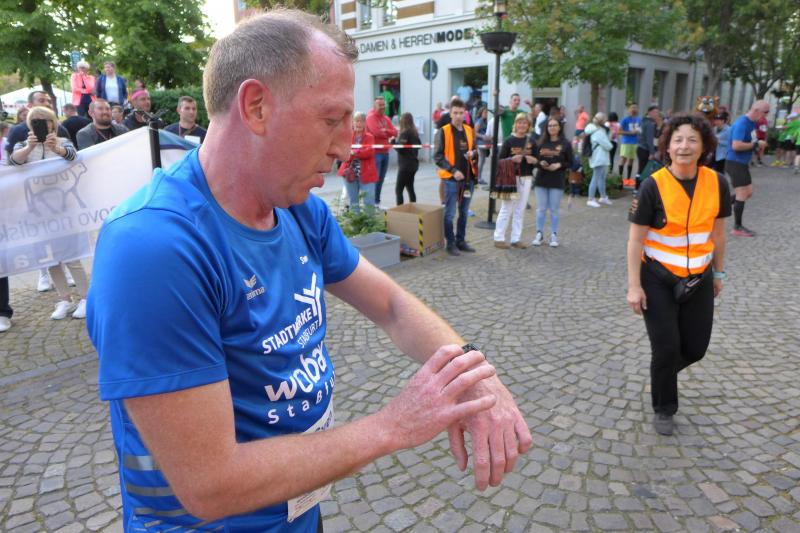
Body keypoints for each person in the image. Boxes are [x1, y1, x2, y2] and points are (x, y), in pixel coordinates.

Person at [87, 11, 530, 532]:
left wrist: (476, 377)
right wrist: (393, 426)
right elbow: (210, 483)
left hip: (299, 513)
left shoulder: (298, 209)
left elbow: (391, 305)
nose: (346, 147)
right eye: (331, 119)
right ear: (256, 107)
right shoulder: (155, 247)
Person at [626, 112, 730, 436]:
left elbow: (719, 234)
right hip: (656, 277)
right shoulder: (652, 186)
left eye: (692, 140)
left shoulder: (717, 183)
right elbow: (635, 240)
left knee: (696, 348)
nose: (684, 146)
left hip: (699, 276)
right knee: (666, 346)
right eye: (678, 140)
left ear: (704, 146)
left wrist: (719, 274)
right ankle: (664, 407)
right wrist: (634, 286)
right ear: (667, 147)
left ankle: (662, 374)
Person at [9, 106, 89, 320]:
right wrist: (29, 147)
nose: (43, 123)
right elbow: (14, 161)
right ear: (30, 124)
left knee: (72, 256)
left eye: (46, 120)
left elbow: (73, 157)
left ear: (53, 122)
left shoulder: (63, 141)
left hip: (64, 209)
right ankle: (65, 299)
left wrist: (57, 149)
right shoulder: (23, 144)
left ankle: (86, 298)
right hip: (38, 211)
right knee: (50, 258)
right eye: (36, 120)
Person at [434, 98, 479, 256]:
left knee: (464, 212)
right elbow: (438, 157)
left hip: (468, 179)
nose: (459, 116)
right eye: (456, 113)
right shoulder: (443, 131)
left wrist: (473, 153)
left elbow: (475, 149)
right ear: (450, 113)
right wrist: (453, 171)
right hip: (451, 179)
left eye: (461, 113)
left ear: (465, 113)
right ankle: (451, 243)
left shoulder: (469, 130)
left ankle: (461, 241)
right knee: (450, 213)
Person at [725, 100, 770, 237]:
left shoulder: (752, 123)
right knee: (742, 193)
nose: (766, 115)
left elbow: (750, 140)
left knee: (748, 192)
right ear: (756, 110)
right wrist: (756, 145)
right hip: (735, 162)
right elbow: (736, 146)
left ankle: (718, 205)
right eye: (765, 112)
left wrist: (756, 145)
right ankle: (737, 227)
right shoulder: (742, 123)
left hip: (741, 163)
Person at [493, 113, 536, 249]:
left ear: (528, 126)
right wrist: (511, 159)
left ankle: (516, 239)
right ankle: (498, 238)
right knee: (506, 208)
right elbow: (499, 161)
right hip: (511, 178)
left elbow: (538, 159)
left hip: (526, 178)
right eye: (519, 122)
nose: (522, 125)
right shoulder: (509, 141)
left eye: (525, 123)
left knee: (520, 209)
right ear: (515, 125)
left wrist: (533, 160)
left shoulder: (532, 141)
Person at [531, 117, 572, 247]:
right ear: (546, 128)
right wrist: (540, 163)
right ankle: (539, 234)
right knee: (541, 209)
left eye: (554, 125)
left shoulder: (565, 143)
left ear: (559, 127)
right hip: (541, 179)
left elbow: (570, 162)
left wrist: (559, 165)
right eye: (550, 126)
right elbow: (535, 160)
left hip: (557, 179)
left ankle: (553, 235)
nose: (552, 128)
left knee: (554, 209)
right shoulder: (541, 143)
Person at [338, 111, 378, 212]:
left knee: (369, 202)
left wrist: (354, 152)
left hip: (367, 173)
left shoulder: (370, 137)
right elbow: (344, 153)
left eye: (361, 121)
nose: (358, 123)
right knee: (353, 202)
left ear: (365, 123)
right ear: (353, 122)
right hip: (350, 173)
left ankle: (369, 222)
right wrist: (357, 152)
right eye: (356, 121)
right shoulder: (347, 136)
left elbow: (369, 152)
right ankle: (356, 222)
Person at [365, 96, 397, 205]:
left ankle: (377, 202)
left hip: (385, 152)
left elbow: (395, 132)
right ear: (374, 105)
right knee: (375, 179)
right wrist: (388, 133)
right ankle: (371, 203)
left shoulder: (386, 118)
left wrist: (385, 130)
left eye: (384, 105)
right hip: (376, 153)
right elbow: (376, 132)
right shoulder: (370, 117)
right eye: (380, 105)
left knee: (381, 179)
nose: (383, 107)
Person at [584, 112, 614, 208]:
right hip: (599, 157)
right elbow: (608, 145)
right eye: (604, 118)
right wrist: (611, 139)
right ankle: (590, 199)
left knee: (601, 177)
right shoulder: (598, 131)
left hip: (599, 157)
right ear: (602, 120)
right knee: (596, 177)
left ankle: (603, 197)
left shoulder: (596, 129)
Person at [394, 112, 420, 205]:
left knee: (398, 190)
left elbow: (400, 148)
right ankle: (413, 207)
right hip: (413, 164)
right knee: (410, 188)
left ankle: (400, 210)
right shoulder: (414, 132)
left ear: (403, 121)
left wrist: (392, 142)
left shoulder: (405, 133)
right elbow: (419, 145)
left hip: (405, 166)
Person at [636, 105, 660, 185]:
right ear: (650, 112)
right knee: (644, 170)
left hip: (640, 148)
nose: (657, 114)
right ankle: (639, 187)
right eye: (655, 112)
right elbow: (650, 139)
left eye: (657, 112)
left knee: (640, 169)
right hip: (645, 149)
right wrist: (652, 152)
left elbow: (638, 134)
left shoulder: (642, 121)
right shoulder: (650, 123)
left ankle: (637, 187)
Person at [618, 103, 641, 183]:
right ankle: (619, 179)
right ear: (629, 109)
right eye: (632, 107)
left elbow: (640, 130)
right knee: (623, 159)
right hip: (626, 142)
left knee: (631, 160)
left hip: (635, 143)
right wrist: (630, 133)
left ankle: (628, 179)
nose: (634, 109)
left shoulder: (639, 119)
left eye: (635, 107)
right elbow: (619, 131)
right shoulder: (625, 119)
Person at [474, 106, 491, 185]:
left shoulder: (486, 121)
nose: (486, 114)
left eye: (487, 112)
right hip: (480, 143)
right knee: (481, 160)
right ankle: (478, 178)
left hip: (486, 142)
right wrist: (483, 136)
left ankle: (478, 177)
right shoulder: (479, 121)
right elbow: (475, 133)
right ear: (481, 113)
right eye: (485, 112)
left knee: (483, 161)